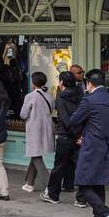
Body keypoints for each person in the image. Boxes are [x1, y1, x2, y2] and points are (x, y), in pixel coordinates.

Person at [67, 69, 109, 217]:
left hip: (91, 147)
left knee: (83, 183)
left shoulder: (89, 100)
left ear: (89, 84)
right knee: (98, 182)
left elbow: (74, 120)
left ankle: (104, 213)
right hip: (108, 147)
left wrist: (85, 133)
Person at [41, 71, 83, 205]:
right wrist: (79, 135)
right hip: (79, 136)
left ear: (62, 83)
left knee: (59, 166)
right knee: (80, 166)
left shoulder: (61, 99)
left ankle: (53, 195)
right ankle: (82, 198)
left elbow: (65, 120)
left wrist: (73, 134)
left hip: (66, 136)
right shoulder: (81, 95)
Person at [19, 72, 54, 193]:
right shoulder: (49, 95)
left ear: (33, 83)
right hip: (47, 129)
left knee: (36, 156)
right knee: (35, 154)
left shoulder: (30, 96)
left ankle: (50, 186)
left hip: (35, 129)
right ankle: (29, 183)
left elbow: (23, 115)